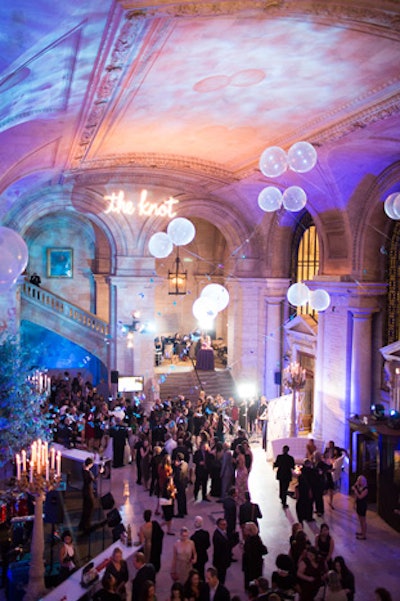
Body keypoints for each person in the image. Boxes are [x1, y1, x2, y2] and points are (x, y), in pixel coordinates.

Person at [241, 522, 268, 590]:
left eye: (245, 529)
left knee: (251, 580)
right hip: (254, 564)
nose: (244, 530)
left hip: (252, 565)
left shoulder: (251, 540)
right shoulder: (255, 538)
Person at [78, 457, 96, 533]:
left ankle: (83, 524)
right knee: (89, 507)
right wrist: (99, 473)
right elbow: (92, 480)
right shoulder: (87, 473)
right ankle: (86, 525)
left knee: (86, 507)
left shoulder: (84, 469)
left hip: (86, 490)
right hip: (88, 492)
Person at [212, 518, 232, 585]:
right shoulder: (217, 536)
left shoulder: (223, 532)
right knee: (221, 578)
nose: (225, 526)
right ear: (218, 525)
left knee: (222, 577)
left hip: (223, 561)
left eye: (225, 524)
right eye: (223, 524)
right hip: (220, 561)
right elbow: (219, 550)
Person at [191, 515, 210, 581]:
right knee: (202, 572)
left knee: (197, 573)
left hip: (196, 558)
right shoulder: (206, 534)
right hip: (203, 556)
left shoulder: (193, 537)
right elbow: (208, 545)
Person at [352, 475, 368, 539]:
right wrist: (354, 503)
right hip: (359, 505)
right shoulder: (359, 487)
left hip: (363, 505)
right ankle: (362, 531)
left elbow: (360, 497)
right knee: (360, 520)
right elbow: (356, 496)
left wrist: (355, 490)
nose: (359, 482)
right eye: (358, 480)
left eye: (360, 480)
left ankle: (364, 535)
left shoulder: (365, 489)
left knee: (363, 520)